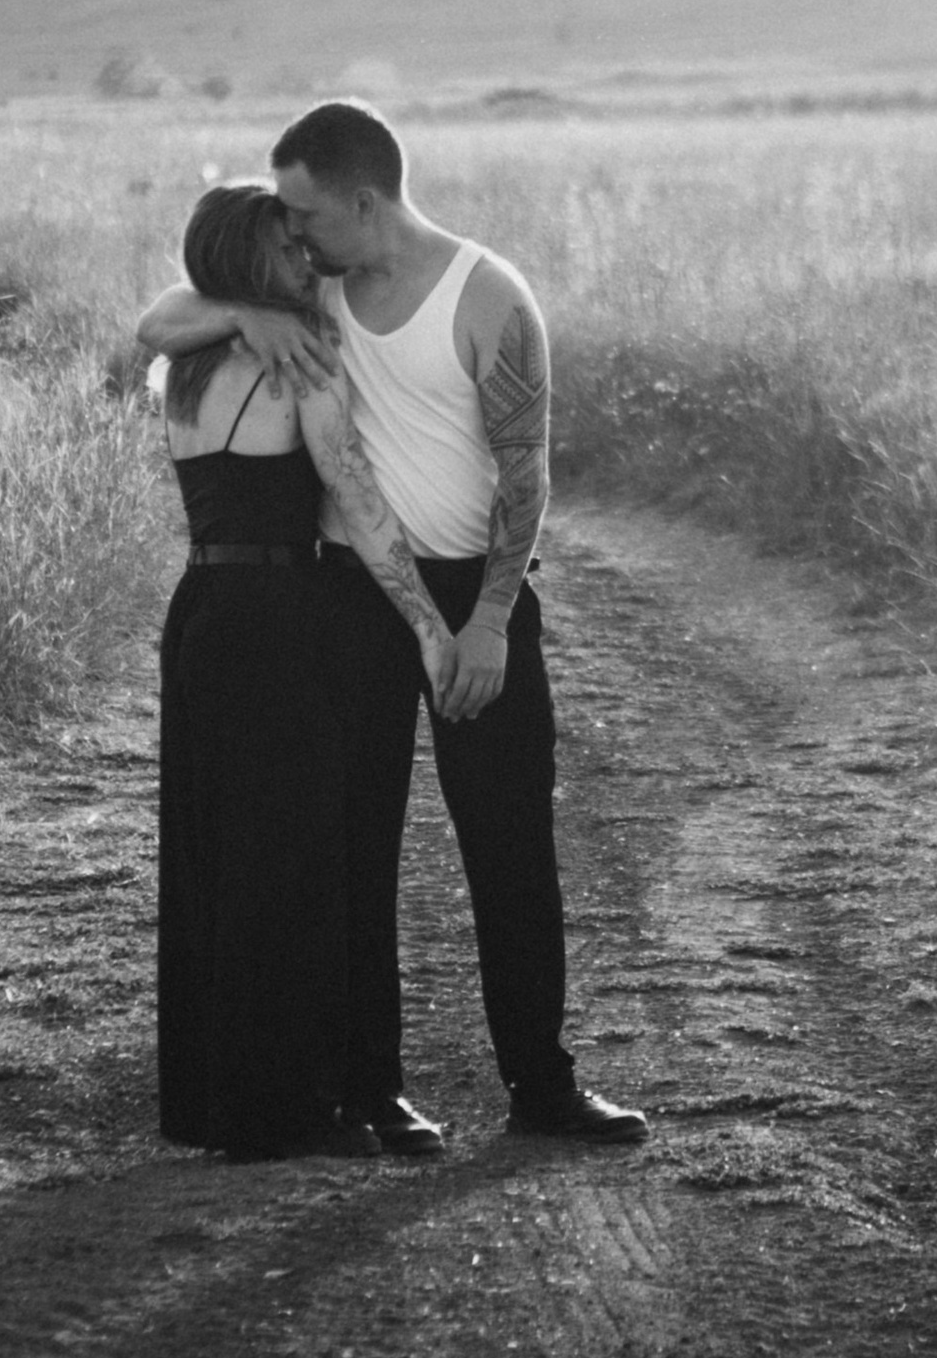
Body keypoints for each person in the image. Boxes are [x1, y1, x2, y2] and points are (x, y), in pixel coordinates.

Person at [139, 103, 647, 1156]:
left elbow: (528, 475)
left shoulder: (486, 296)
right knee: (352, 853)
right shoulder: (305, 282)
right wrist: (249, 317)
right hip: (349, 601)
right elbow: (155, 318)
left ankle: (541, 1087)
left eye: (303, 209)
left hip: (482, 597)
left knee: (507, 844)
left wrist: (493, 620)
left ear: (361, 201)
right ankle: (369, 1086)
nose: (291, 227)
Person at [155, 179, 460, 1162]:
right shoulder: (301, 365)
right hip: (279, 619)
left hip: (201, 609)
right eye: (289, 253)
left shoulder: (186, 365)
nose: (307, 263)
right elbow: (361, 509)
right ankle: (291, 1107)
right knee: (297, 867)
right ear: (254, 263)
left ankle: (235, 1103)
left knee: (226, 862)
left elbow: (163, 318)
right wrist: (428, 625)